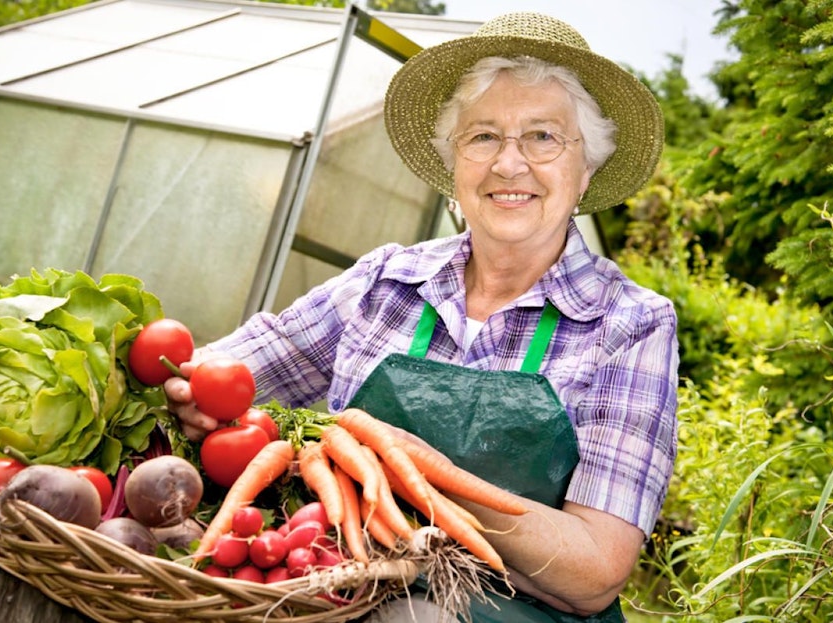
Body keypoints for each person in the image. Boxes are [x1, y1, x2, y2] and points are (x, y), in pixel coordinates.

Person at [167, 11, 678, 623]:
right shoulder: (387, 281)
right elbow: (243, 364)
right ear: (454, 166)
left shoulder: (629, 324)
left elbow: (595, 569)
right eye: (482, 137)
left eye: (543, 137)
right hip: (334, 592)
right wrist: (181, 380)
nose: (508, 164)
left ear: (585, 168)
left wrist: (412, 475)